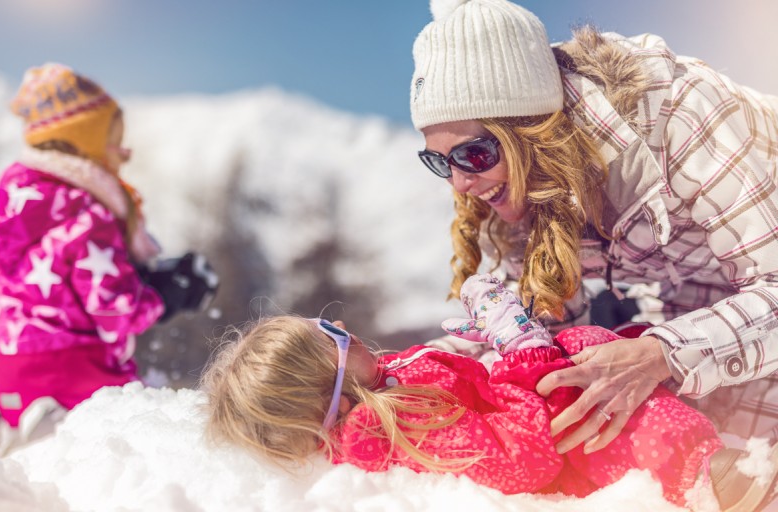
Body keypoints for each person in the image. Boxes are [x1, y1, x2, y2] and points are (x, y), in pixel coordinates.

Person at [409, 0, 778, 456]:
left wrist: (658, 354)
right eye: (438, 162)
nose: (461, 182)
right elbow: (521, 324)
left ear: (531, 132)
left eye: (474, 155)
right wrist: (402, 372)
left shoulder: (678, 115)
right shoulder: (520, 188)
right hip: (707, 310)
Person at [202, 274, 778, 510]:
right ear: (336, 394)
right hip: (572, 447)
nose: (342, 326)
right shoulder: (401, 430)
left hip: (546, 410)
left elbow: (459, 382)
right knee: (597, 397)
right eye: (329, 336)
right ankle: (708, 477)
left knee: (588, 346)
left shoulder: (388, 385)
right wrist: (522, 350)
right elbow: (523, 458)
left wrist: (482, 345)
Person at [0, 64, 216, 451]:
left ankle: (10, 420)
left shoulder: (13, 204)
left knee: (25, 407)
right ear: (82, 142)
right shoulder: (88, 215)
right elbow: (116, 312)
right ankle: (48, 433)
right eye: (114, 140)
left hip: (8, 365)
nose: (125, 153)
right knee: (141, 423)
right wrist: (168, 294)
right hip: (74, 372)